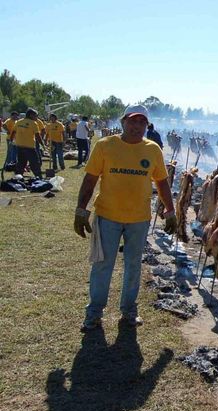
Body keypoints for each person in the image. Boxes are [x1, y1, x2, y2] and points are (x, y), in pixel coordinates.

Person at [74, 105, 176, 332]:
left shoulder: (153, 150)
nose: (136, 126)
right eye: (132, 121)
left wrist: (170, 211)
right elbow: (90, 180)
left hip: (139, 219)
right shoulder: (105, 146)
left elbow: (161, 182)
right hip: (107, 216)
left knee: (133, 266)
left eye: (141, 122)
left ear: (146, 125)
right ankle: (94, 313)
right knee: (102, 265)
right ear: (123, 122)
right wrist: (81, 210)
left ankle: (129, 310)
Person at [9, 108, 45, 177]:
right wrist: (42, 144)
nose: (36, 117)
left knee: (21, 163)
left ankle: (18, 178)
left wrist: (11, 141)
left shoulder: (18, 122)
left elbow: (13, 132)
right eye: (35, 116)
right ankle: (39, 177)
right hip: (29, 147)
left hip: (19, 146)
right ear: (31, 115)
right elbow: (37, 135)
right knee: (34, 163)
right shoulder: (33, 123)